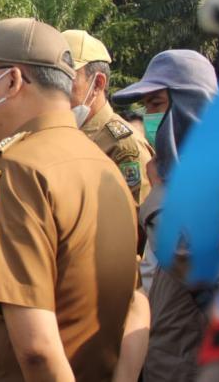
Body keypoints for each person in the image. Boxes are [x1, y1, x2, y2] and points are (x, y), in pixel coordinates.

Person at [0, 18, 138, 382]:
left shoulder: (17, 170)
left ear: (12, 81)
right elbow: (137, 303)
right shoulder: (103, 164)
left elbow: (36, 349)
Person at [112, 49, 219, 382]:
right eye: (145, 107)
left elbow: (197, 267)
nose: (149, 117)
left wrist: (159, 194)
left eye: (156, 104)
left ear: (190, 106)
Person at [63, 29, 154, 381]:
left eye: (67, 79)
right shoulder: (63, 135)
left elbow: (136, 231)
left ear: (97, 83)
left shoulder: (122, 145)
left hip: (109, 299)